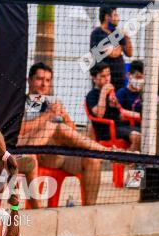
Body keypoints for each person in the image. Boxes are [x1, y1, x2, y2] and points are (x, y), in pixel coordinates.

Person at [18, 62, 105, 206]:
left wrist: (66, 117)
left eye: (47, 80)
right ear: (29, 80)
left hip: (61, 155)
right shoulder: (21, 102)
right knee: (51, 127)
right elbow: (20, 129)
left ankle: (90, 211)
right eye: (39, 79)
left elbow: (72, 132)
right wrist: (47, 116)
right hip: (38, 154)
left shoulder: (52, 102)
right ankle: (107, 151)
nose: (43, 84)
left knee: (93, 160)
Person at [85, 62, 141, 152]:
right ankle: (128, 162)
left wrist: (116, 105)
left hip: (120, 126)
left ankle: (130, 159)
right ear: (94, 78)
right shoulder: (92, 95)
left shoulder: (111, 92)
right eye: (103, 76)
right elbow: (99, 115)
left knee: (147, 134)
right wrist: (103, 93)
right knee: (137, 137)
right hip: (107, 130)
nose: (107, 79)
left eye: (108, 75)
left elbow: (120, 114)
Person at [89, 6, 133, 91]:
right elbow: (111, 53)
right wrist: (117, 49)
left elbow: (129, 53)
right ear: (107, 17)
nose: (118, 18)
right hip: (103, 83)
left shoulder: (117, 33)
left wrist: (127, 37)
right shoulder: (96, 33)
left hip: (119, 82)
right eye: (115, 15)